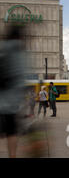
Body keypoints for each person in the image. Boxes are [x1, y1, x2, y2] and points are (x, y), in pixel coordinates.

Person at [0, 25, 28, 158]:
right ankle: (12, 156)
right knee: (11, 133)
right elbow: (21, 80)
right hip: (11, 104)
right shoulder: (20, 53)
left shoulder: (2, 48)